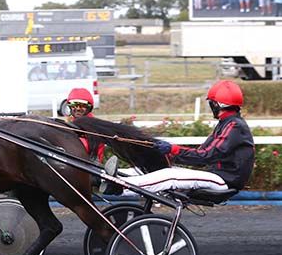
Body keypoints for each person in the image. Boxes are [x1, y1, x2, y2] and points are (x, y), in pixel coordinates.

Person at [102, 80, 255, 195]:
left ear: (217, 105)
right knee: (158, 171)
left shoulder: (234, 126)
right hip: (217, 176)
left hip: (225, 180)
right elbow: (200, 154)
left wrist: (172, 149)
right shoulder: (226, 124)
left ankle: (120, 186)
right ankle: (103, 178)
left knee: (171, 176)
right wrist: (168, 153)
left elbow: (205, 156)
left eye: (212, 104)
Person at [65, 87, 105, 163]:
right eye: (74, 105)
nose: (78, 108)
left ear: (89, 107)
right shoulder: (67, 125)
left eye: (82, 105)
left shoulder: (95, 128)